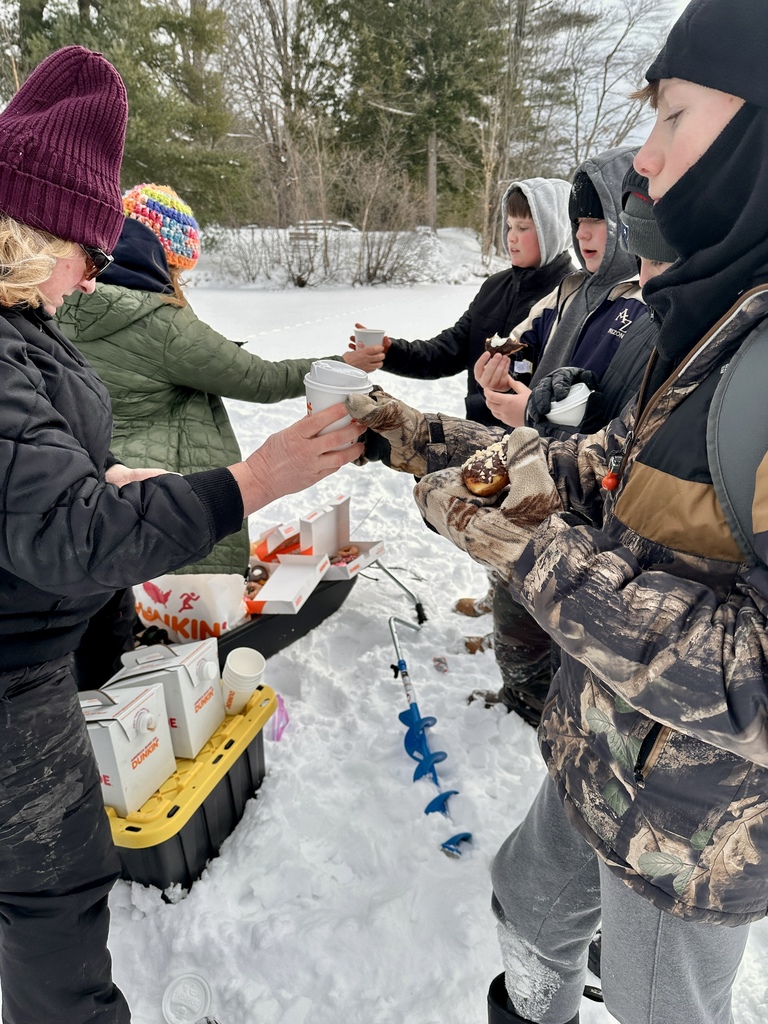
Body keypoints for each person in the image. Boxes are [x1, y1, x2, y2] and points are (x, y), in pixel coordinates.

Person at [346, 0, 768, 1020]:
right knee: (529, 904)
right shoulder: (713, 326)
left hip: (689, 831)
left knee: (655, 1001)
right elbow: (594, 468)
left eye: (672, 118)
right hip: (604, 758)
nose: (646, 165)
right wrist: (415, 437)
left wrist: (526, 547)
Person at [0, 46, 363, 1024]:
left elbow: (26, 480)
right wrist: (256, 479)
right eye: (83, 248)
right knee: (55, 919)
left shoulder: (30, 330)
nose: (87, 277)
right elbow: (57, 534)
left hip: (52, 639)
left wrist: (104, 474)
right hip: (15, 681)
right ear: (36, 237)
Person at [466, 149, 645, 724]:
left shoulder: (646, 307)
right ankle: (525, 701)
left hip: (590, 502)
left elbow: (628, 425)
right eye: (578, 221)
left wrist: (534, 416)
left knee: (558, 622)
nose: (585, 234)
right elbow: (516, 344)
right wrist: (497, 370)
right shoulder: (572, 291)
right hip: (530, 478)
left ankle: (550, 713)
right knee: (512, 601)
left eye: (598, 220)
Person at [353, 176, 574, 428]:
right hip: (479, 436)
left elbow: (568, 395)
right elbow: (447, 351)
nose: (511, 237)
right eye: (509, 226)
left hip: (538, 448)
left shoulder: (572, 296)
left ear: (553, 231)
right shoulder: (495, 287)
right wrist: (390, 352)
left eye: (523, 228)